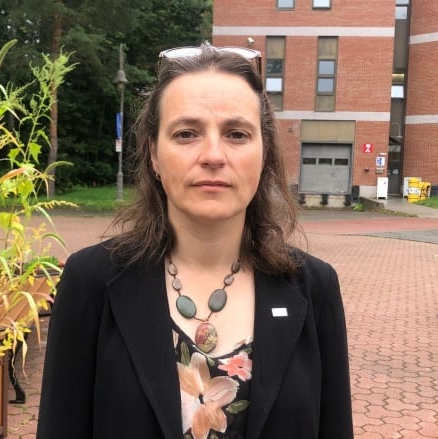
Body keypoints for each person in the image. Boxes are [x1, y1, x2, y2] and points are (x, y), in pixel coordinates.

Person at [37, 44, 353, 439]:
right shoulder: (91, 283)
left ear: (264, 153)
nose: (213, 155)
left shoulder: (314, 289)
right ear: (153, 153)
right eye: (186, 134)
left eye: (237, 134)